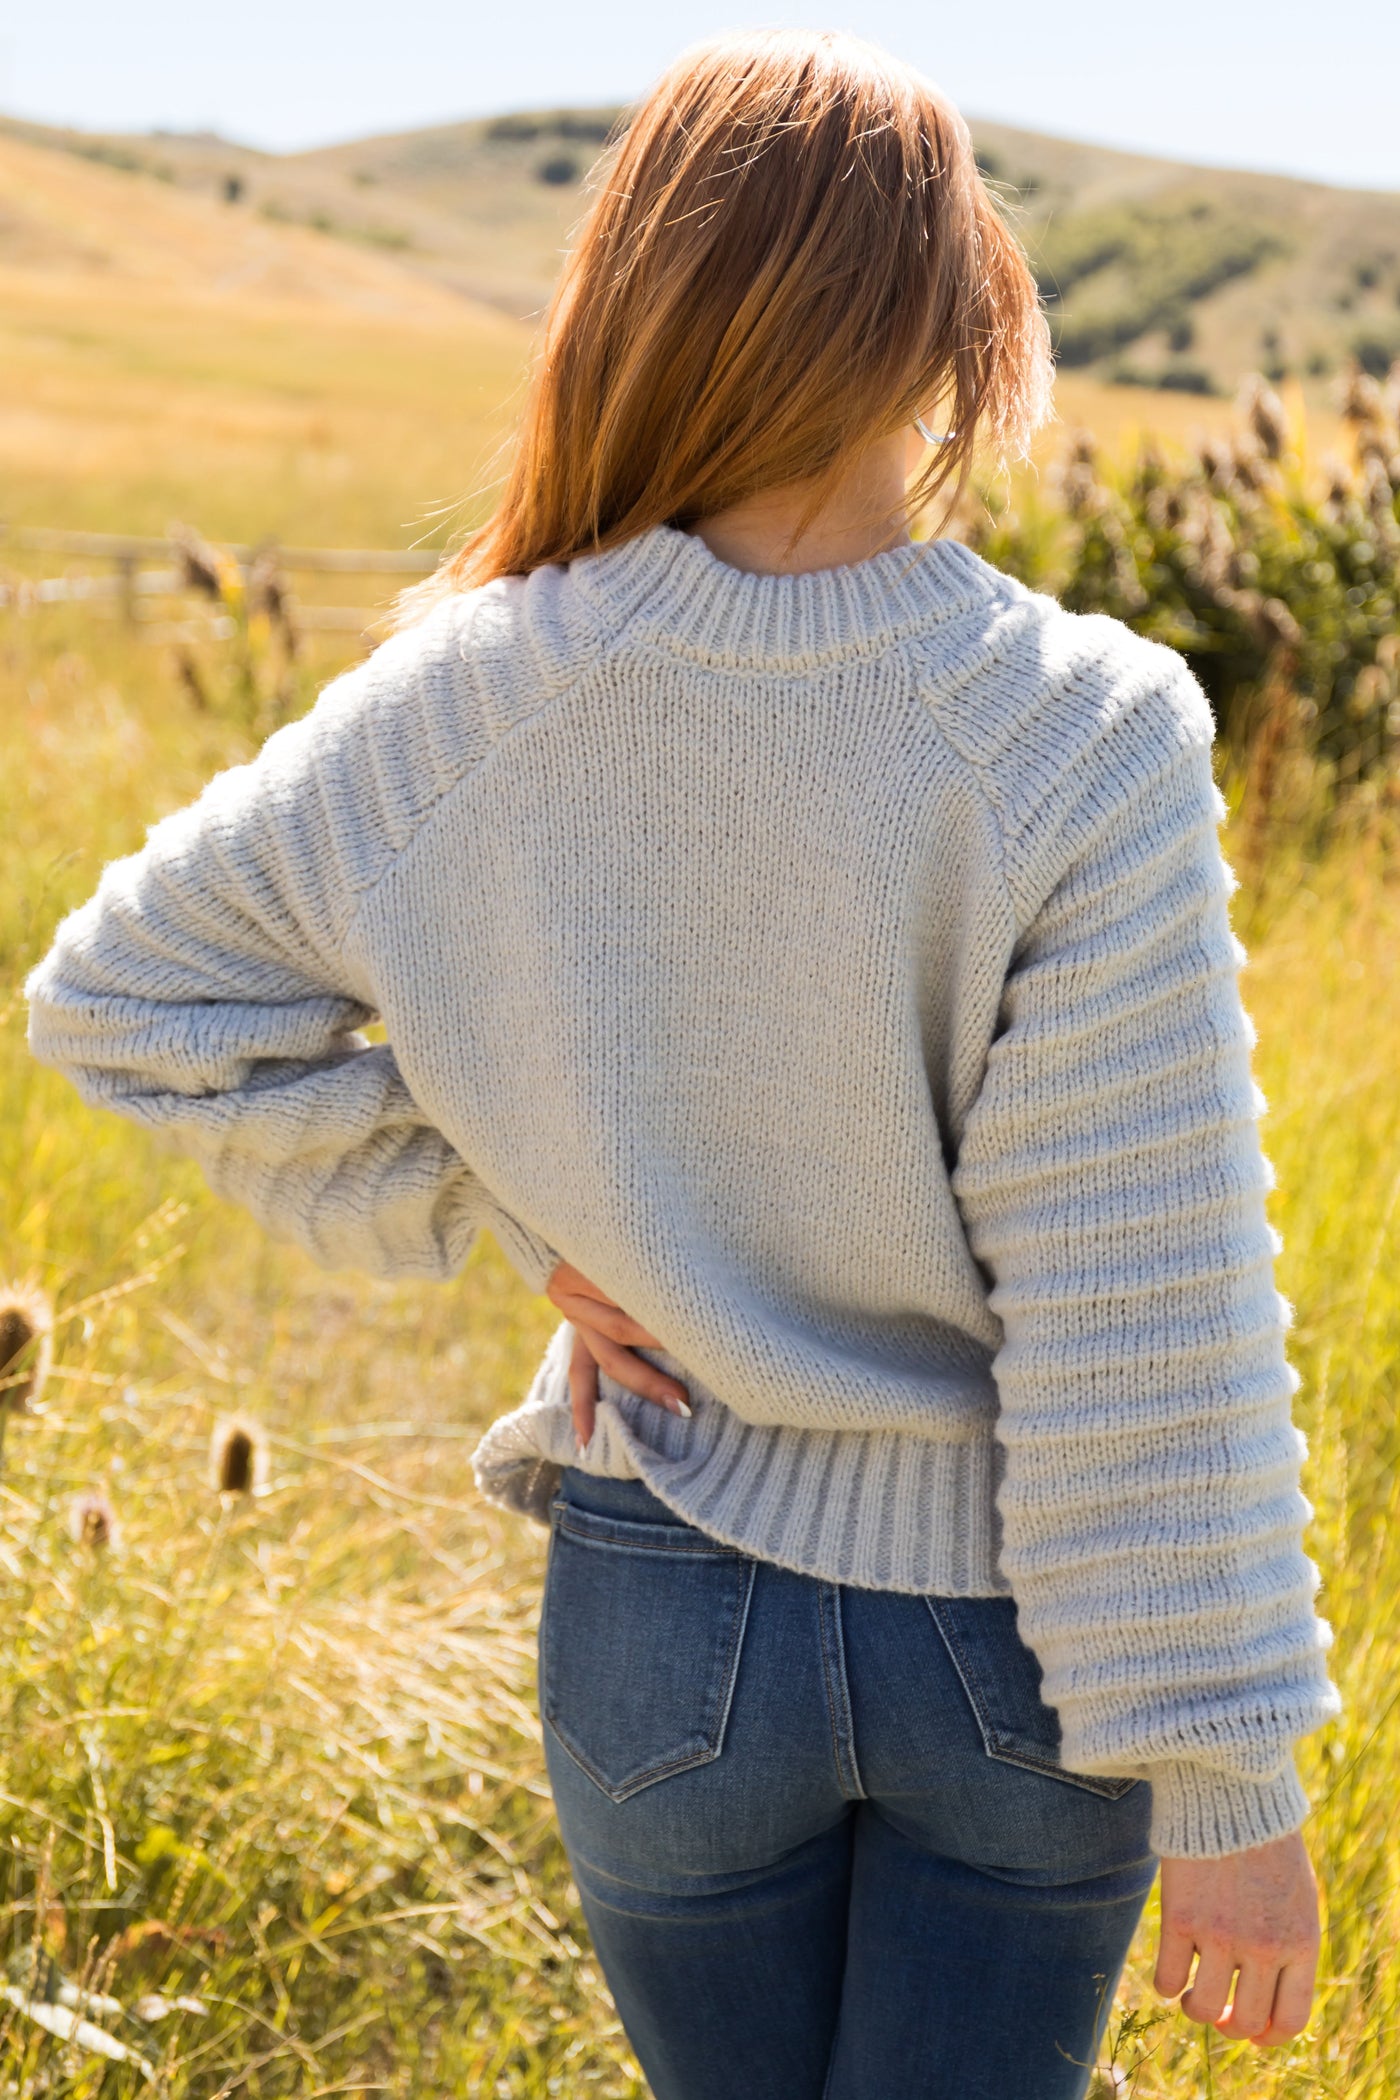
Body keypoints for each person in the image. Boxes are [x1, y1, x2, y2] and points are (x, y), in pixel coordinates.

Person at [24, 28, 1341, 2100]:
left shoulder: (466, 689)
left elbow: (120, 999)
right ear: (961, 312)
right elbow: (1136, 1306)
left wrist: (499, 1196)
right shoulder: (1081, 730)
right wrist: (1228, 1783)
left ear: (642, 295)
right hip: (1003, 1645)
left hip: (657, 1621)